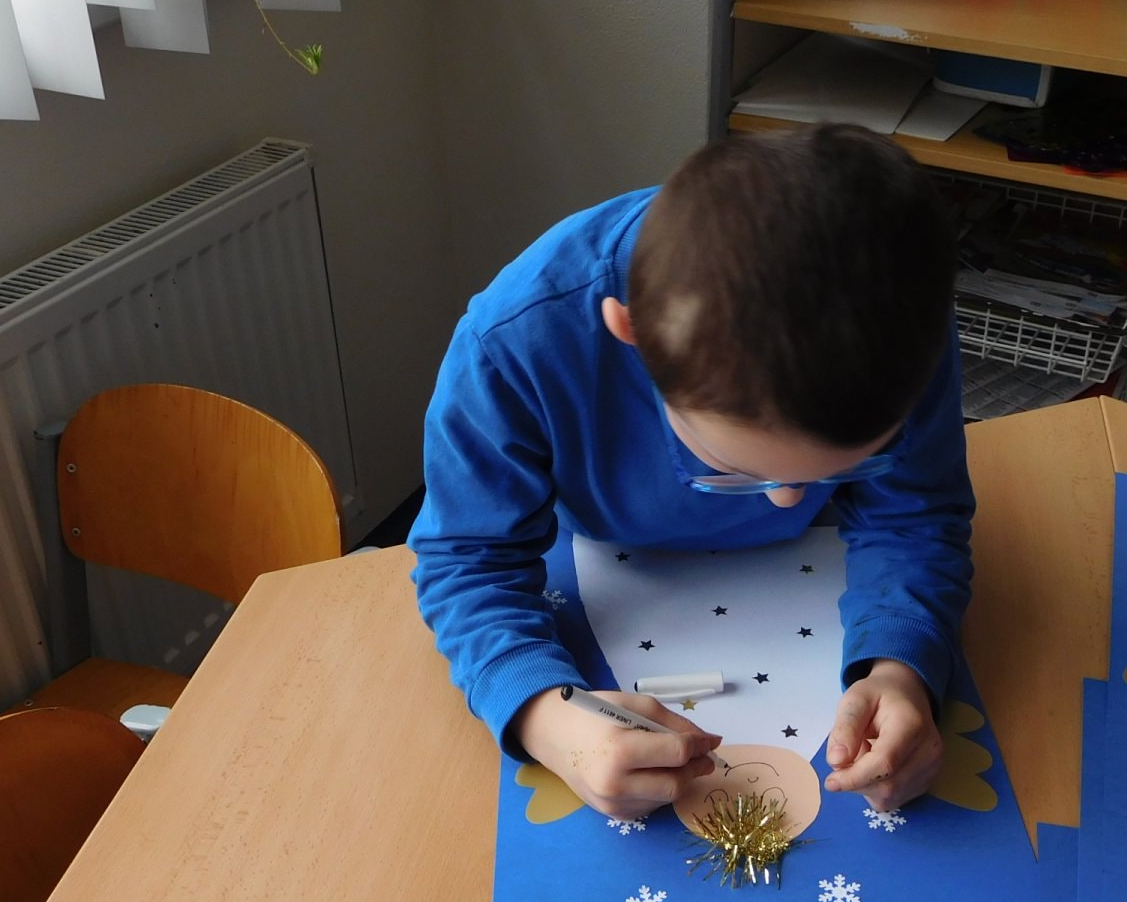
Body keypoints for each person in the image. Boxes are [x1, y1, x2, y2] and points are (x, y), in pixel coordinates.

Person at [409, 125, 975, 823]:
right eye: (735, 468)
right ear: (634, 338)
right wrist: (543, 715)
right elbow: (469, 558)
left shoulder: (902, 322)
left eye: (846, 467)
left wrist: (900, 665)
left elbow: (916, 516)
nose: (787, 499)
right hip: (595, 558)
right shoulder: (515, 343)